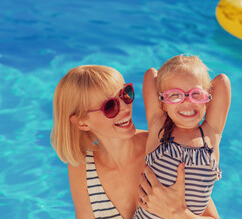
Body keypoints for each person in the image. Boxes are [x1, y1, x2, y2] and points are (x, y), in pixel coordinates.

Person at [50, 65, 220, 219]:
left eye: (125, 94)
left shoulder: (164, 149)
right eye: (110, 106)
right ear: (82, 122)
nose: (125, 108)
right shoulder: (83, 167)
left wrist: (178, 214)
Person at [134, 55, 231, 218]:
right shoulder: (159, 131)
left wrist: (198, 84)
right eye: (175, 95)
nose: (187, 102)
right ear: (162, 103)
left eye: (196, 94)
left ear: (208, 98)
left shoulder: (210, 136)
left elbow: (223, 81)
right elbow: (151, 75)